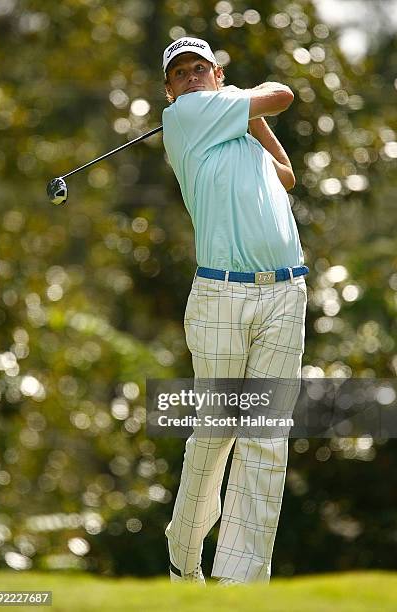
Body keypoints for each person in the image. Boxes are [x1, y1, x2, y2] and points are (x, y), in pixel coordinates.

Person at [161, 37, 308, 586]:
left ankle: (237, 582)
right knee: (217, 431)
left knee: (265, 436)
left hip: (285, 292)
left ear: (218, 77)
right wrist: (241, 103)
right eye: (181, 74)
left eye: (201, 69)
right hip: (223, 296)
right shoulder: (185, 118)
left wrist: (245, 120)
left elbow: (287, 174)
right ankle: (184, 546)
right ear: (170, 91)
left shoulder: (230, 127)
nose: (192, 78)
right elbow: (283, 93)